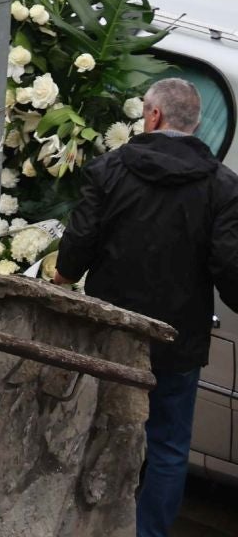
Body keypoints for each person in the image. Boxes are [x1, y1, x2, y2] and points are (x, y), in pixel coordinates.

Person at [55, 79, 238, 537]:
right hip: (176, 341)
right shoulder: (223, 187)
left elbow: (79, 243)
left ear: (153, 116)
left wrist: (60, 279)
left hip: (107, 333)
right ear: (194, 124)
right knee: (169, 447)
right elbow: (229, 268)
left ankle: (79, 524)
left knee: (91, 427)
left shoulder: (109, 169)